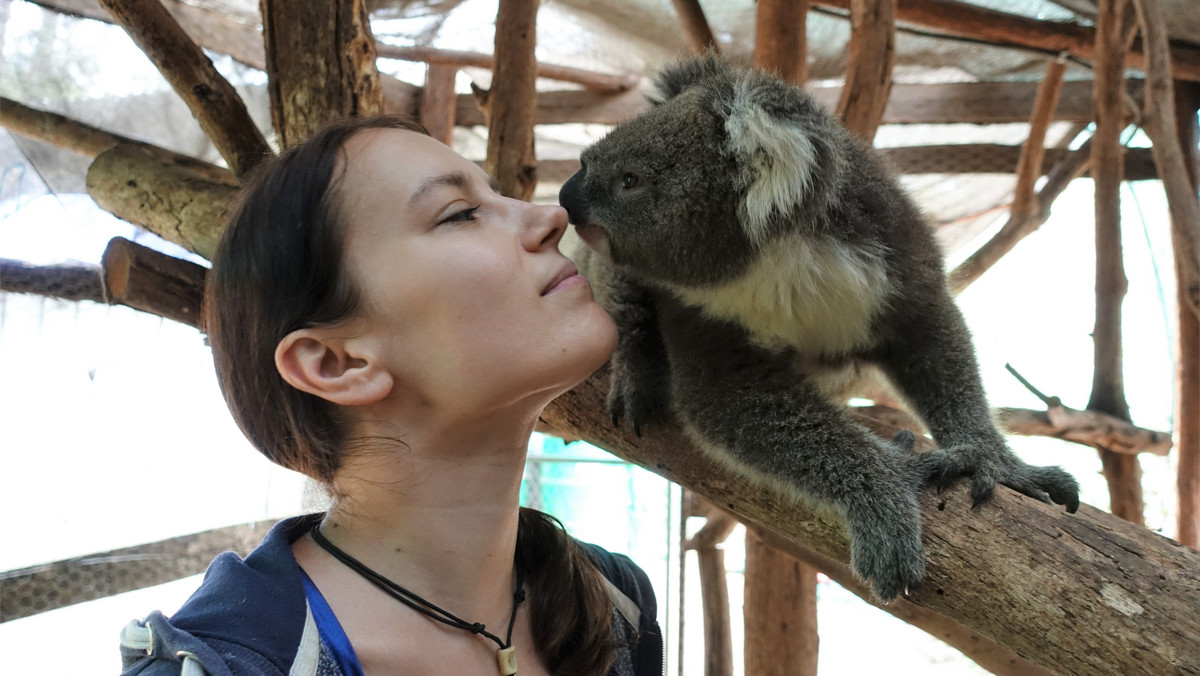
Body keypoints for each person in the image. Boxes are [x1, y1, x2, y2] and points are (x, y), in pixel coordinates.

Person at [118, 116, 663, 676]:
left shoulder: (612, 606)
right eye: (461, 214)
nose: (552, 216)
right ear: (339, 363)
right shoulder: (227, 666)